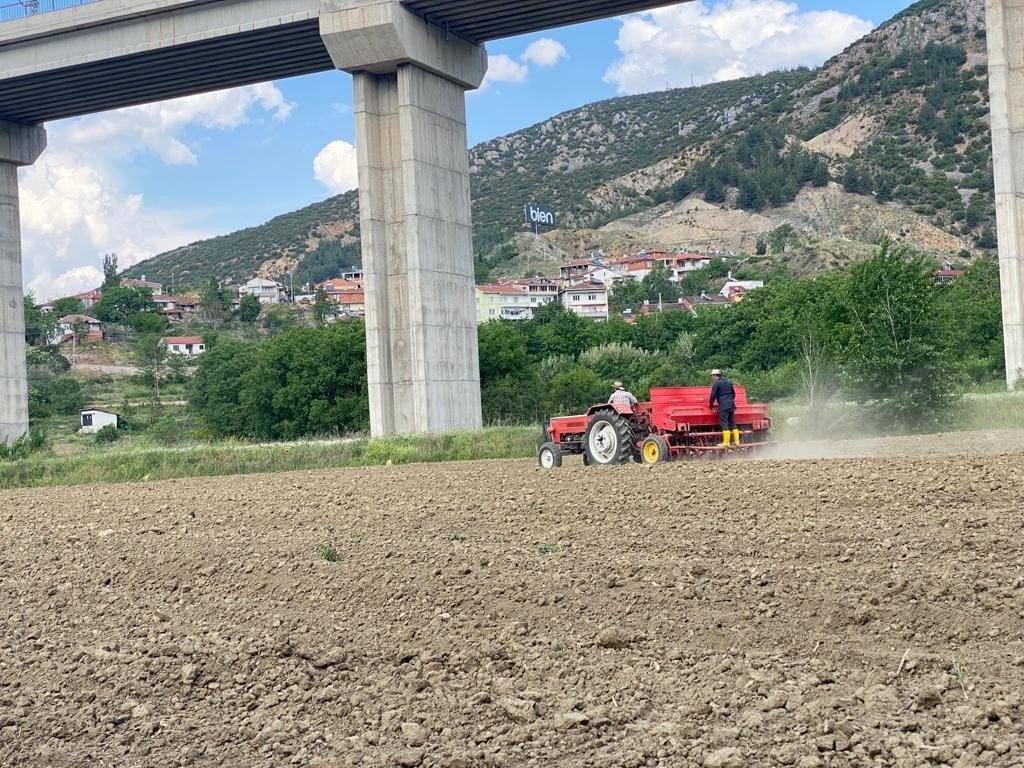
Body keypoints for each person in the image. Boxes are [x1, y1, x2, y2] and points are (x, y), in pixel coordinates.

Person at [709, 369, 739, 447]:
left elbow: (712, 396)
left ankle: (726, 442)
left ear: (715, 375)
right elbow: (733, 394)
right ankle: (737, 441)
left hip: (723, 405)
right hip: (731, 404)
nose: (712, 377)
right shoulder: (728, 382)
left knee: (724, 423)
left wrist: (711, 405)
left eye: (712, 376)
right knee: (732, 422)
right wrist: (730, 400)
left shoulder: (716, 384)